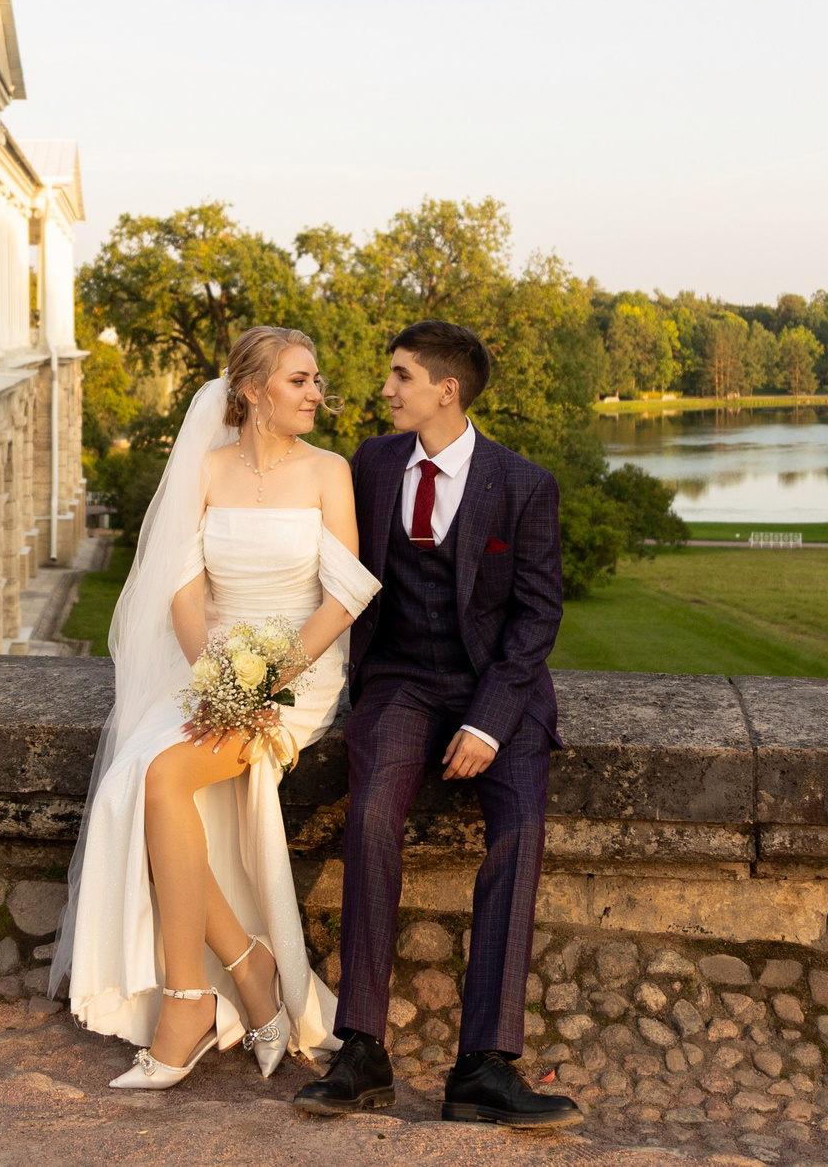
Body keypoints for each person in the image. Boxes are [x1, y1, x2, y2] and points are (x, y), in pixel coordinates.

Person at [53, 326, 380, 1090]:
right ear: (253, 390)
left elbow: (343, 599)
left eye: (316, 378)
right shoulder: (205, 468)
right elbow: (180, 587)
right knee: (133, 778)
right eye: (299, 380)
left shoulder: (330, 472)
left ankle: (189, 1002)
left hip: (297, 672)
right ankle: (249, 963)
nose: (315, 392)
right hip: (212, 667)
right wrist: (214, 678)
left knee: (163, 777)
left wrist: (262, 686)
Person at [291, 320, 581, 1128]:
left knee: (520, 828)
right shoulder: (374, 466)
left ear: (445, 390)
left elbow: (535, 617)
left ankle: (485, 1065)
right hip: (401, 683)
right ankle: (362, 1050)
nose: (386, 389)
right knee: (375, 811)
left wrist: (488, 724)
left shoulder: (523, 483)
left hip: (500, 691)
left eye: (400, 376)